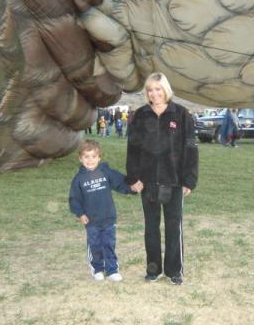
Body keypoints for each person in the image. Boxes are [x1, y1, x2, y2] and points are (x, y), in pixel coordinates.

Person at [126, 72, 198, 286]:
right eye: (150, 90)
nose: (154, 94)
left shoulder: (181, 114)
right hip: (147, 181)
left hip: (174, 180)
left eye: (158, 89)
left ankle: (174, 270)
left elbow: (191, 148)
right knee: (151, 227)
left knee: (173, 226)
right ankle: (153, 269)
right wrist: (133, 177)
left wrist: (189, 179)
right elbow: (133, 148)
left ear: (165, 89)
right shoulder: (140, 115)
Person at [68, 140, 135, 282]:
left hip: (108, 218)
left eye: (93, 156)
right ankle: (97, 268)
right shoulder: (78, 179)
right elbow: (74, 199)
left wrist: (132, 188)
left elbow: (120, 182)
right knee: (95, 244)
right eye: (86, 157)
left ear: (99, 157)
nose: (90, 160)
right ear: (80, 159)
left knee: (109, 244)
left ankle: (112, 270)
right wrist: (80, 214)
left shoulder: (106, 172)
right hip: (91, 220)